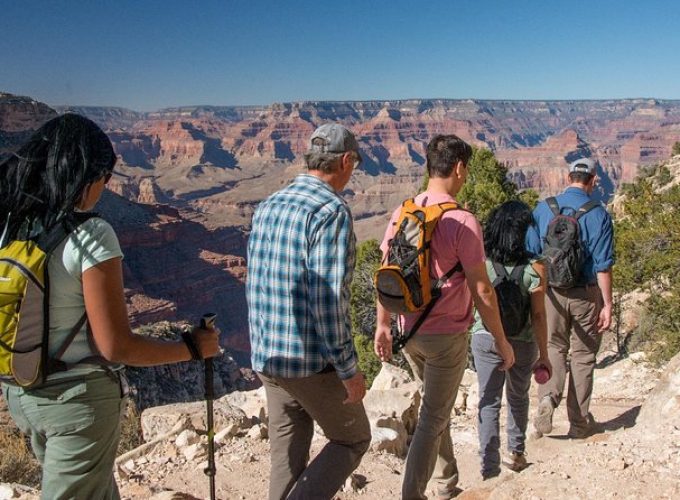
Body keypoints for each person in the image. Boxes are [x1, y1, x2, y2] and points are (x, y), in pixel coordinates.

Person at [0, 114, 220, 500]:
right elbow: (116, 346)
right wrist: (191, 348)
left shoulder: (11, 226)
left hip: (22, 392)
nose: (106, 186)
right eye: (104, 176)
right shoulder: (90, 234)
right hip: (77, 401)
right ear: (84, 175)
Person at [374, 134, 515, 500]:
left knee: (436, 408)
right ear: (459, 167)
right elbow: (483, 290)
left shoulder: (402, 211)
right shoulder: (462, 221)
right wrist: (501, 341)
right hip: (445, 338)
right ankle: (413, 494)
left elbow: (386, 271)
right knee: (433, 418)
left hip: (408, 331)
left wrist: (383, 325)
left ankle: (445, 483)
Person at [246, 123, 371, 500]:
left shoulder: (269, 204)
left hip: (269, 355)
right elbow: (329, 299)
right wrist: (349, 369)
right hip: (308, 362)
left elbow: (256, 278)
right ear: (346, 161)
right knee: (353, 439)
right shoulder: (331, 211)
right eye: (356, 165)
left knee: (286, 456)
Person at [526, 157, 615, 439]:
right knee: (583, 355)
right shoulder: (598, 214)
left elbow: (531, 252)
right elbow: (603, 265)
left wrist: (535, 290)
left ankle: (547, 399)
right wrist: (608, 303)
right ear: (592, 181)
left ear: (568, 178)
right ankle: (578, 423)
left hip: (550, 291)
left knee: (552, 347)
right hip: (585, 294)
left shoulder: (544, 208)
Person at [471, 200, 552, 479]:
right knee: (518, 397)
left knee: (488, 400)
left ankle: (489, 467)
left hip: (486, 338)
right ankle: (516, 453)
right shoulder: (536, 266)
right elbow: (539, 315)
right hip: (523, 339)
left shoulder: (481, 262)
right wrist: (544, 354)